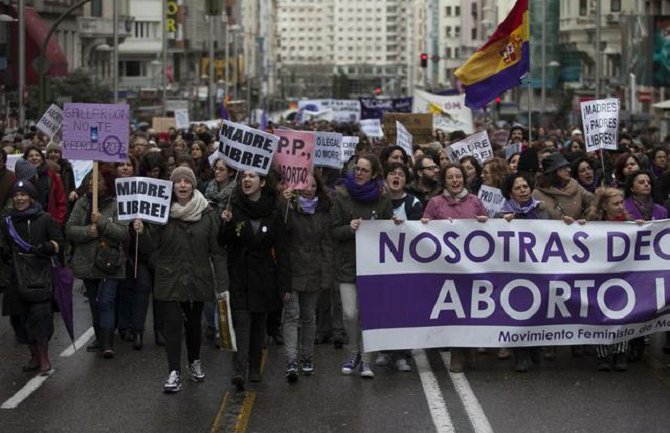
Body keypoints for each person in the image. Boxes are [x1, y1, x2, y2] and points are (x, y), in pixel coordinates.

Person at [139, 166, 228, 393]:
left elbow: (217, 252)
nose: (182, 185)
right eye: (177, 181)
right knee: (172, 325)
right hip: (170, 278)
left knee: (193, 325)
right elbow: (151, 248)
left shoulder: (208, 214)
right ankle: (173, 372)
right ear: (172, 185)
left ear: (193, 185)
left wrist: (222, 283)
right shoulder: (161, 212)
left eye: (186, 181)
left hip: (198, 278)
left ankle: (194, 361)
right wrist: (142, 231)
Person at [220, 170, 290, 391]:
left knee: (258, 325)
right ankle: (239, 370)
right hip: (240, 274)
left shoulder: (274, 211)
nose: (246, 180)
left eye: (252, 177)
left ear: (262, 182)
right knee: (242, 322)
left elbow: (282, 250)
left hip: (264, 276)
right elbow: (223, 241)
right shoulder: (235, 208)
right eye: (244, 177)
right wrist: (227, 224)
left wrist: (284, 284)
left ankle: (254, 369)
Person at [331, 154, 394, 379]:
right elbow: (333, 231)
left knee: (367, 314)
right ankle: (354, 351)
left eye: (364, 170)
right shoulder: (341, 196)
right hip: (347, 264)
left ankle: (366, 360)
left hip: (372, 267)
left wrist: (394, 223)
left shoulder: (382, 198)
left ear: (374, 174)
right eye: (356, 168)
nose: (358, 173)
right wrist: (349, 228)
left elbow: (389, 230)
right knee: (349, 314)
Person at [421, 162, 488, 372]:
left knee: (472, 308)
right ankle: (457, 353)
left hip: (472, 267)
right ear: (444, 181)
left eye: (458, 176)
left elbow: (491, 232)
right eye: (450, 177)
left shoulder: (476, 202)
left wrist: (486, 222)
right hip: (446, 268)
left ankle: (471, 349)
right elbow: (423, 234)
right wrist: (424, 223)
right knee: (454, 310)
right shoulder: (434, 203)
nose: (455, 181)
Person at [66, 165, 129, 358]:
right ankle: (100, 337)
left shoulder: (118, 204)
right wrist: (87, 232)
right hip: (87, 261)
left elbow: (122, 233)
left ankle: (108, 342)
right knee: (94, 301)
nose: (93, 183)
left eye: (98, 179)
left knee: (106, 301)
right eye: (90, 179)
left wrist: (102, 222)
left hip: (110, 263)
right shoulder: (82, 203)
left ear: (107, 182)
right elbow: (70, 229)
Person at [1, 180, 63, 374]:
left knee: (40, 317)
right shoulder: (6, 220)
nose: (19, 199)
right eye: (16, 195)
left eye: (23, 195)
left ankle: (44, 356)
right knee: (19, 318)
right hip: (16, 276)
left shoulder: (44, 219)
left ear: (31, 197)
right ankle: (33, 354)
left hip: (39, 275)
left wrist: (47, 247)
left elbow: (59, 243)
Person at [281, 174, 333, 383]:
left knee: (309, 317)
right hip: (292, 270)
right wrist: (284, 203)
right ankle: (291, 360)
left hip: (314, 270)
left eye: (313, 185)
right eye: (305, 184)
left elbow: (328, 245)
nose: (309, 189)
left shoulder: (324, 210)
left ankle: (307, 357)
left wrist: (326, 274)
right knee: (292, 315)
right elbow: (281, 231)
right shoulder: (289, 208)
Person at [583, 187, 640, 372]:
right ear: (604, 206)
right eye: (615, 203)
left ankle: (620, 352)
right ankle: (602, 354)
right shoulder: (593, 224)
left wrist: (641, 228)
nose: (620, 206)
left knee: (623, 312)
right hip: (600, 276)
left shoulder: (629, 223)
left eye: (621, 203)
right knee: (600, 312)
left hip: (623, 277)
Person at [497, 173, 549, 372]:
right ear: (510, 192)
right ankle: (521, 354)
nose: (523, 190)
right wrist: (503, 223)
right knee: (519, 311)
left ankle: (535, 348)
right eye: (518, 188)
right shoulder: (502, 214)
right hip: (514, 272)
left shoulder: (541, 208)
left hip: (538, 269)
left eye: (525, 186)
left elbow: (555, 231)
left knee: (538, 308)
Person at [22, 145, 67, 226]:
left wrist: (57, 221)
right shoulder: (21, 178)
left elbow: (61, 202)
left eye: (37, 155)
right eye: (30, 156)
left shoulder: (53, 177)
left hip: (48, 223)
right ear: (25, 159)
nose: (34, 158)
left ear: (42, 158)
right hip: (26, 223)